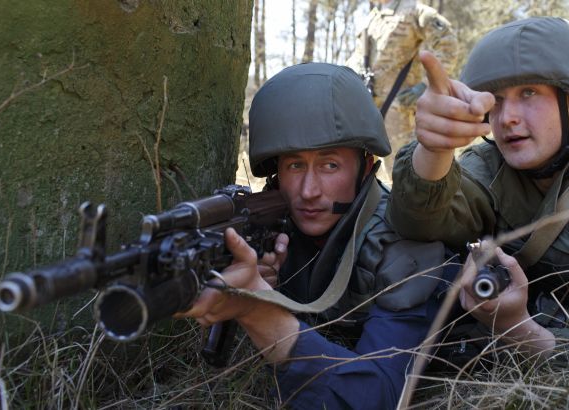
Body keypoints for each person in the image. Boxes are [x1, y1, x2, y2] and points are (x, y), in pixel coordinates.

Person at [180, 63, 457, 408]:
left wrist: (260, 312)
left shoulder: (403, 249)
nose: (309, 191)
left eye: (330, 165)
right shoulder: (275, 229)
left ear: (366, 168)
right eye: (295, 165)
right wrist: (267, 285)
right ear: (277, 173)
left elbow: (380, 397)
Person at [387, 17, 569, 362]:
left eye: (529, 93)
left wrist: (518, 329)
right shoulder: (492, 164)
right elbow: (417, 222)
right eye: (496, 99)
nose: (507, 117)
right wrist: (433, 149)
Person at [346, 0, 458, 179]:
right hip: (368, 109)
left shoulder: (414, 10)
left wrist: (425, 85)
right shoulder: (371, 19)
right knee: (367, 174)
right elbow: (357, 58)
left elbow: (447, 43)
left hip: (399, 111)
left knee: (402, 173)